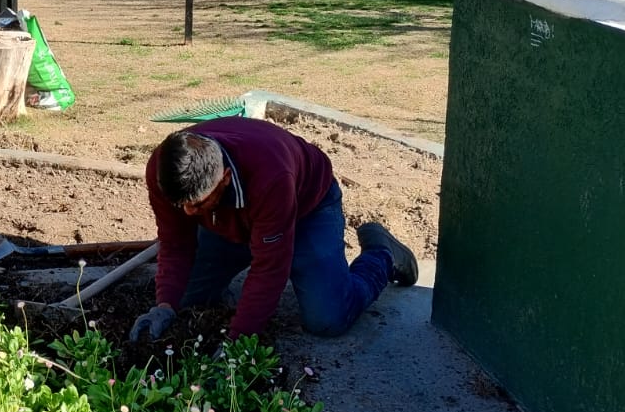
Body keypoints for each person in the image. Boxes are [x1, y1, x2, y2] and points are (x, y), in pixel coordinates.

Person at [129, 117, 418, 345]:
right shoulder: (165, 169)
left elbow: (270, 269)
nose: (188, 213)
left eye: (197, 204)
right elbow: (175, 242)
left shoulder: (270, 176)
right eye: (182, 205)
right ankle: (229, 292)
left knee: (328, 318)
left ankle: (383, 255)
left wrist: (238, 341)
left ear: (225, 179)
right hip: (233, 218)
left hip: (306, 210)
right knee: (183, 300)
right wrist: (164, 304)